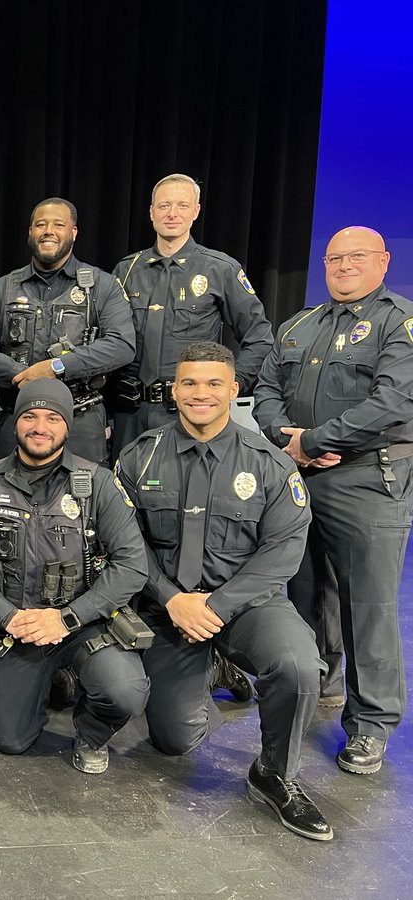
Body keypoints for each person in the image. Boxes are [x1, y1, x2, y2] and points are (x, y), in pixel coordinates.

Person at [118, 342, 331, 840]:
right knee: (174, 740)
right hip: (167, 607)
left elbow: (281, 554)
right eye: (189, 382)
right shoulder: (139, 457)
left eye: (214, 383)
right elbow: (124, 544)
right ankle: (213, 662)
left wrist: (213, 607)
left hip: (246, 605)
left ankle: (276, 775)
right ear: (174, 390)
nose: (200, 393)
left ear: (234, 391)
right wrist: (171, 598)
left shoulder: (269, 465)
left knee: (298, 666)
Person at [254, 226, 413, 776]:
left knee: (366, 604)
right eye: (335, 257)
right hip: (299, 474)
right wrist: (284, 438)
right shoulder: (300, 324)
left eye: (357, 257)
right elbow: (267, 388)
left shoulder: (400, 322)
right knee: (303, 589)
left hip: (369, 478)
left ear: (383, 261)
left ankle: (370, 723)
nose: (344, 266)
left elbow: (394, 399)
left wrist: (315, 441)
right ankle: (319, 679)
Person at [0, 379, 149, 773]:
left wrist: (65, 618)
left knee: (125, 691)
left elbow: (132, 565)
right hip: (16, 625)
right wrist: (6, 615)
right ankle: (55, 682)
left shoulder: (98, 485)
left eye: (53, 417)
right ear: (16, 423)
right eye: (30, 416)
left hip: (81, 623)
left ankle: (91, 733)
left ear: (68, 426)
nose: (41, 426)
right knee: (9, 741)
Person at [109, 174, 273, 456]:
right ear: (151, 212)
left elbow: (260, 339)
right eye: (164, 206)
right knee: (122, 493)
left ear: (195, 211)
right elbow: (108, 342)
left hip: (189, 414)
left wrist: (223, 387)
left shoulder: (219, 269)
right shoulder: (126, 270)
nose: (172, 214)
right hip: (129, 415)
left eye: (182, 206)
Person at [0, 198, 134, 466]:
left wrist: (56, 367)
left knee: (81, 504)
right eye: (40, 225)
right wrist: (25, 376)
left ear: (73, 232)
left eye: (58, 224)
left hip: (81, 419)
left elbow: (122, 345)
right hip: (17, 415)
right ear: (30, 232)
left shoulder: (102, 286)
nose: (48, 231)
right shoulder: (1, 288)